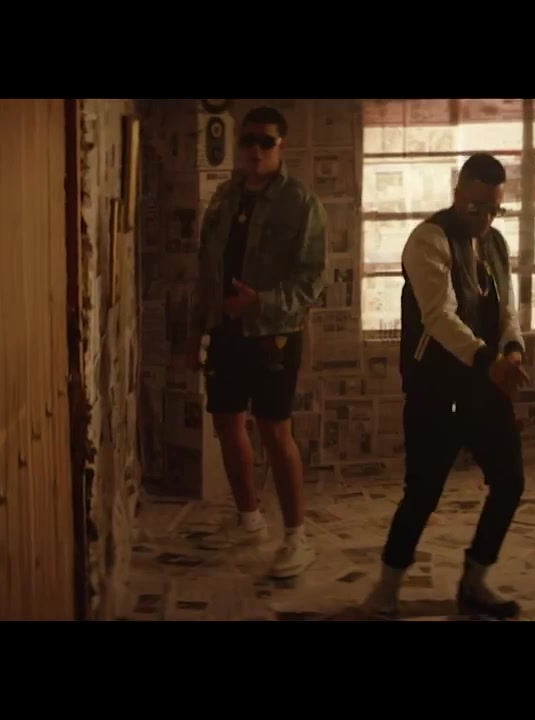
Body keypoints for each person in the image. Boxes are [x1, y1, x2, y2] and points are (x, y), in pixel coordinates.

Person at [363, 153, 530, 619]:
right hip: (436, 388)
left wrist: (512, 351)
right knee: (423, 492)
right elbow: (439, 316)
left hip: (484, 384)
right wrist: (488, 360)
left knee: (510, 482)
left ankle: (475, 581)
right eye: (476, 207)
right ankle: (385, 590)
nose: (485, 219)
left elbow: (507, 310)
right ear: (458, 194)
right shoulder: (428, 240)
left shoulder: (495, 243)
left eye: (494, 209)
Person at [184, 106, 327, 579]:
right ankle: (249, 519)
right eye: (248, 141)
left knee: (274, 431)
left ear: (281, 146)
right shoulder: (225, 197)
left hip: (272, 336)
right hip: (224, 331)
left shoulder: (301, 203)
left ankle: (296, 537)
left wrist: (260, 302)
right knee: (226, 422)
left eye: (266, 141)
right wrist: (195, 330)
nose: (255, 150)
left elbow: (312, 281)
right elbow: (206, 271)